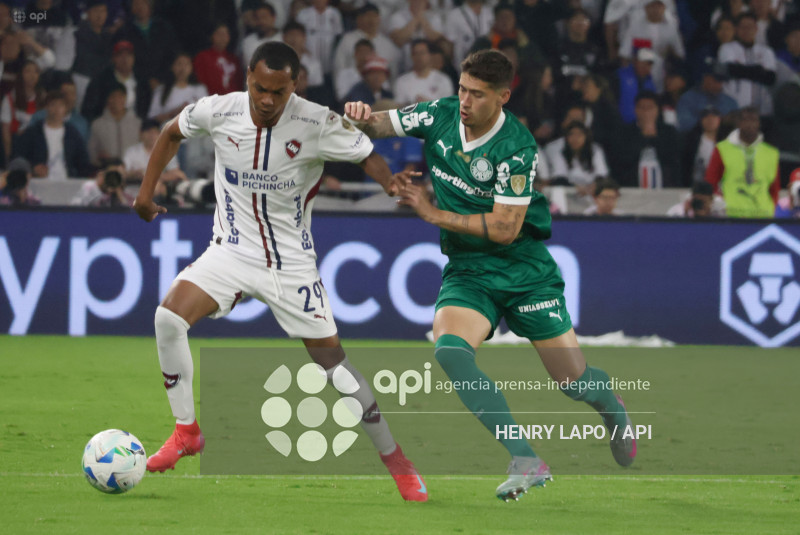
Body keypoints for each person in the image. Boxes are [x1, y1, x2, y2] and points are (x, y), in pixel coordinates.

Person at [133, 42, 427, 502]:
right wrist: (145, 193)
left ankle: (398, 462)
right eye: (259, 88)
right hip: (229, 251)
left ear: (295, 85)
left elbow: (364, 150)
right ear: (247, 76)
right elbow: (171, 132)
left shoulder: (316, 122)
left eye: (278, 91)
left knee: (335, 366)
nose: (267, 99)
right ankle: (186, 431)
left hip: (290, 266)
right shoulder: (218, 110)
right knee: (167, 318)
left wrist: (388, 180)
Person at [344, 49, 636, 501]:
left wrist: (433, 213)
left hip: (523, 271)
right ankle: (526, 459)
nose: (464, 101)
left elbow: (504, 229)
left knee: (573, 382)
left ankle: (612, 407)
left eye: (476, 95)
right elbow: (380, 125)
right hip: (469, 270)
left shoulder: (515, 146)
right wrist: (362, 115)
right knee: (451, 351)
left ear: (503, 96)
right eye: (462, 89)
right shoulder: (440, 113)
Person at [705, 106, 780, 218]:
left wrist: (770, 208)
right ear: (738, 123)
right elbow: (711, 183)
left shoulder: (771, 153)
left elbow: (774, 188)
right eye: (746, 120)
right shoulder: (722, 149)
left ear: (759, 123)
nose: (750, 124)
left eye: (753, 120)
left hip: (763, 215)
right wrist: (720, 206)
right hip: (732, 215)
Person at [15, 90, 91, 180]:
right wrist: (33, 168)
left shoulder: (73, 134)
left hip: (67, 183)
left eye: (61, 105)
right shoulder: (33, 132)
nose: (57, 109)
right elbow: (18, 158)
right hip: (39, 183)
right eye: (53, 104)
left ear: (66, 109)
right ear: (46, 107)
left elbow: (83, 162)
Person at [87, 84, 141, 168]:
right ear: (107, 99)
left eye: (120, 96)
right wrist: (99, 158)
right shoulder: (97, 124)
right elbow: (92, 153)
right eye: (113, 96)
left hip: (133, 172)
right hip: (108, 172)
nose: (117, 100)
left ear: (125, 98)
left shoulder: (137, 124)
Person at [192, 23, 243, 96]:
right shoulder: (202, 57)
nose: (223, 37)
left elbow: (239, 82)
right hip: (213, 100)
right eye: (220, 34)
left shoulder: (234, 59)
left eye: (226, 34)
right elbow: (201, 81)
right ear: (212, 36)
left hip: (233, 101)